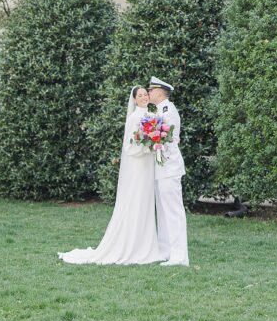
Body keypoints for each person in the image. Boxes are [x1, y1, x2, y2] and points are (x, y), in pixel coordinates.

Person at [57, 86, 162, 265]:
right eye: (140, 95)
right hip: (138, 167)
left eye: (145, 94)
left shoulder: (152, 116)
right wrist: (148, 147)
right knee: (136, 202)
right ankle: (131, 245)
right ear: (134, 100)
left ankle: (146, 245)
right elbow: (129, 147)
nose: (144, 97)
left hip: (148, 166)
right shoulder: (134, 118)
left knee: (145, 203)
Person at [148, 76, 189, 266]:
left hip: (169, 166)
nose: (149, 93)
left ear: (159, 92)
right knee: (163, 211)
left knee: (173, 211)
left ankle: (179, 256)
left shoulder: (167, 110)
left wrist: (153, 141)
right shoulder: (157, 110)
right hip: (160, 166)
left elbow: (168, 138)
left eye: (151, 90)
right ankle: (166, 251)